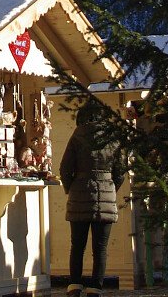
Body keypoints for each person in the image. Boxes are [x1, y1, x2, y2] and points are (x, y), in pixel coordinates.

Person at [60, 101, 127, 297]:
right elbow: (120, 171)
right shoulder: (113, 137)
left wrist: (70, 187)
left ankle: (74, 286)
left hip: (80, 192)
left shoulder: (78, 135)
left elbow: (65, 168)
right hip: (106, 192)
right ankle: (95, 288)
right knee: (100, 248)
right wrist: (111, 187)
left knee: (77, 245)